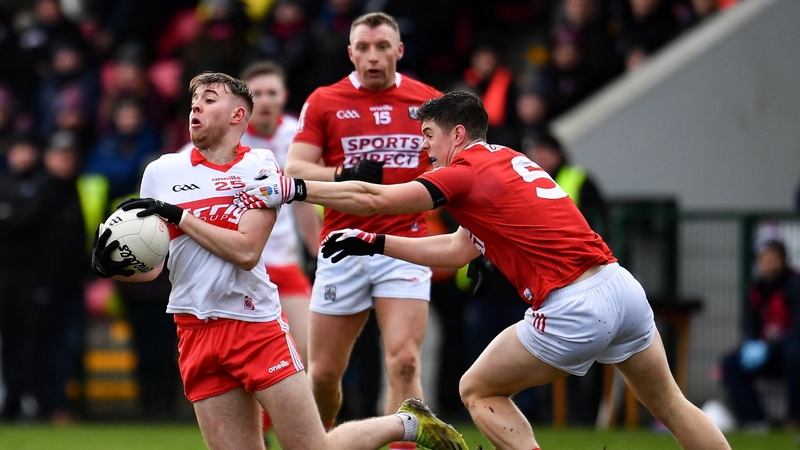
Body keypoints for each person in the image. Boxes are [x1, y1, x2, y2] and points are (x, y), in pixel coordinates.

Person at [236, 90, 732, 450]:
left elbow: (375, 196)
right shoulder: (510, 160)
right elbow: (458, 250)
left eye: (428, 137)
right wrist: (378, 242)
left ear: (456, 133)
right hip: (620, 288)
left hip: (572, 303)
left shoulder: (463, 169)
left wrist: (294, 187)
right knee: (671, 404)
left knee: (476, 389)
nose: (425, 151)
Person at [90, 71, 466, 450]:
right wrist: (115, 266)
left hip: (254, 326)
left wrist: (179, 216)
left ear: (238, 115)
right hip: (193, 328)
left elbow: (246, 251)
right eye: (193, 103)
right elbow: (157, 265)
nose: (196, 108)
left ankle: (405, 423)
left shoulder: (259, 166)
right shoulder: (160, 172)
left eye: (208, 100)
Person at [281, 12, 442, 444]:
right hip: (343, 247)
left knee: (405, 361)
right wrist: (344, 173)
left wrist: (480, 237)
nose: (373, 57)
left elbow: (459, 173)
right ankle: (318, 440)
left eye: (383, 47)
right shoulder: (324, 100)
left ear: (399, 50)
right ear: (351, 53)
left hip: (404, 246)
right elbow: (295, 168)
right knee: (323, 375)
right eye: (364, 49)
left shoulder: (429, 102)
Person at [238, 61, 319, 367]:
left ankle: (308, 418)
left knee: (310, 354)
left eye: (272, 92)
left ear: (283, 95)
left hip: (286, 262)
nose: (266, 99)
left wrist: (318, 251)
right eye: (257, 93)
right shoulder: (227, 138)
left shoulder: (297, 137)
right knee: (257, 362)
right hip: (244, 267)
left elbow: (304, 200)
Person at [720, 239, 800, 430]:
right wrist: (749, 343)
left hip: (788, 350)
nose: (768, 263)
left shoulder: (795, 284)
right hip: (766, 353)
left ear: (782, 259)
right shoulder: (756, 288)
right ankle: (754, 421)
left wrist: (769, 347)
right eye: (764, 259)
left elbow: (797, 328)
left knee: (794, 355)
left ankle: (794, 420)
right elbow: (750, 324)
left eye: (773, 258)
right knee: (730, 363)